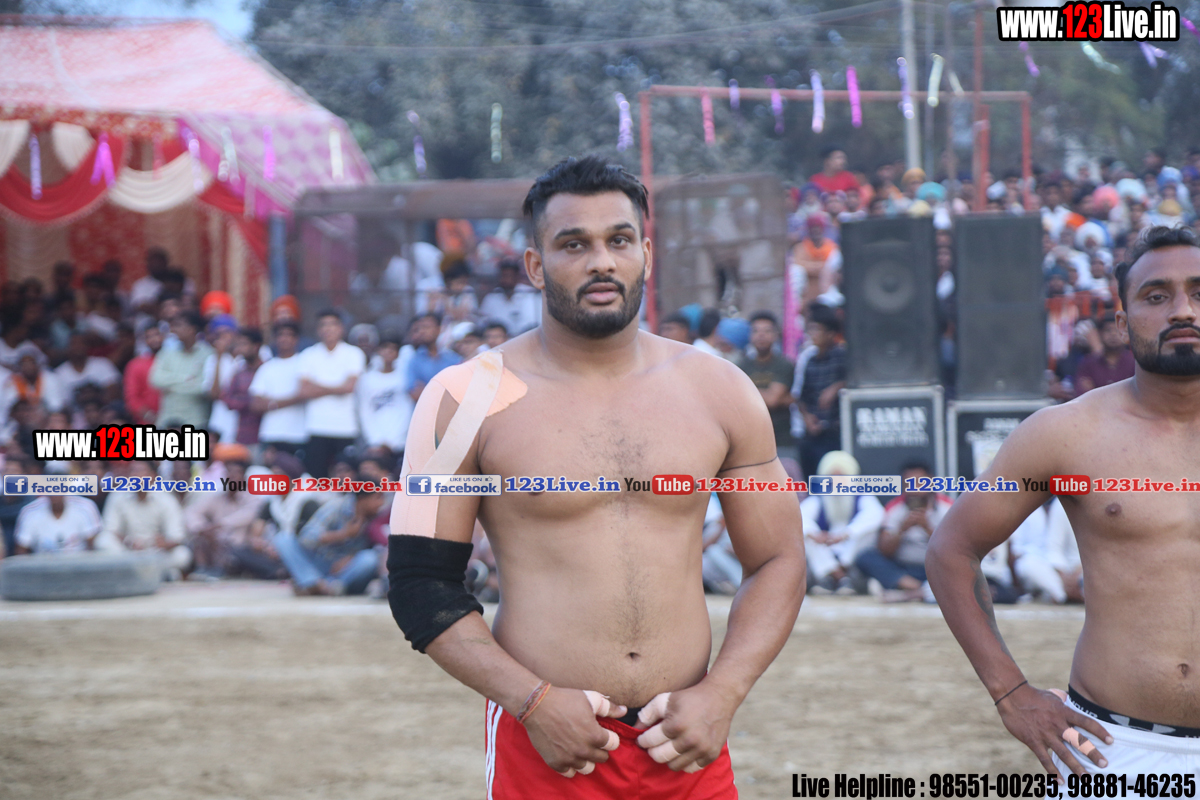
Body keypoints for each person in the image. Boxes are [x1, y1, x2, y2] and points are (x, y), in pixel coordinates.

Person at [387, 156, 805, 797]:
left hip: (685, 739)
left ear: (646, 254)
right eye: (574, 244)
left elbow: (778, 558)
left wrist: (723, 692)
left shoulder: (720, 389)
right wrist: (532, 701)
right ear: (535, 265)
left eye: (618, 240)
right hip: (549, 745)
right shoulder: (465, 397)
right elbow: (421, 584)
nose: (601, 262)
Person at [927, 225, 1200, 780]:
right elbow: (951, 549)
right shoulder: (1066, 433)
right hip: (1118, 747)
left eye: (1199, 292)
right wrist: (1011, 694)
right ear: (1122, 322)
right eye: (1156, 296)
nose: (1182, 310)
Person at [854, 461, 952, 603]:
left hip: (936, 569)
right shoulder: (895, 508)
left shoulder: (948, 507)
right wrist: (902, 530)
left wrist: (928, 528)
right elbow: (884, 550)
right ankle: (919, 589)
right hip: (904, 570)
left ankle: (909, 590)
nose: (915, 488)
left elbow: (954, 548)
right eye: (909, 483)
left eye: (920, 482)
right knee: (866, 557)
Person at [276, 484, 384, 596]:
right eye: (377, 498)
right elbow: (307, 538)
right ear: (362, 499)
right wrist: (343, 534)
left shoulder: (377, 517)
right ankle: (312, 583)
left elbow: (381, 550)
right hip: (320, 561)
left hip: (346, 571)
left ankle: (325, 587)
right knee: (283, 538)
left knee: (370, 559)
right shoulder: (336, 507)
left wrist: (351, 558)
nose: (381, 503)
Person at [799, 450, 883, 592]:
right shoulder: (819, 498)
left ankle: (835, 576)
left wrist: (846, 534)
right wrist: (815, 535)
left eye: (842, 476)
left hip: (850, 549)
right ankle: (838, 577)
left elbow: (876, 515)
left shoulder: (862, 496)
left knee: (865, 532)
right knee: (806, 535)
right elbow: (800, 517)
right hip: (826, 547)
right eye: (832, 476)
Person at [296, 311, 365, 478]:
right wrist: (337, 387)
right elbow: (304, 390)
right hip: (316, 427)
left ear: (341, 328)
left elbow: (349, 387)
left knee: (347, 481)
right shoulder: (308, 355)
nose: (328, 329)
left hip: (346, 428)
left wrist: (317, 386)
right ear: (317, 330)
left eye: (333, 324)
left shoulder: (354, 353)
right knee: (317, 479)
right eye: (323, 325)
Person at [101, 460, 191, 580]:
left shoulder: (167, 499)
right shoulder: (117, 496)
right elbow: (110, 529)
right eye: (132, 471)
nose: (135, 476)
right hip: (127, 551)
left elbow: (177, 536)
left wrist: (162, 543)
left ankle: (142, 572)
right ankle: (158, 572)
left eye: (140, 471)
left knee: (182, 555)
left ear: (153, 476)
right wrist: (128, 541)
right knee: (103, 541)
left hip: (156, 552)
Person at [796, 304, 846, 480]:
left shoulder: (844, 357)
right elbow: (801, 397)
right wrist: (807, 418)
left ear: (831, 334)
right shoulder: (809, 361)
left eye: (817, 330)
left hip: (838, 432)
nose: (812, 335)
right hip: (814, 431)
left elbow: (856, 383)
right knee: (811, 478)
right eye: (811, 330)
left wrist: (836, 387)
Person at [739, 312, 795, 465]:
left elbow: (772, 400)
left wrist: (746, 392)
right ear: (750, 336)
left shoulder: (784, 365)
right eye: (756, 331)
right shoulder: (741, 366)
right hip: (749, 441)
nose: (761, 335)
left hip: (781, 440)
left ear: (775, 335)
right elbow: (735, 400)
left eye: (767, 331)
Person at [249, 321, 309, 457]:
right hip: (271, 433)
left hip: (299, 435)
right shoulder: (267, 367)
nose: (284, 338)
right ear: (275, 339)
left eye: (289, 335)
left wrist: (271, 403)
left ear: (296, 339)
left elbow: (307, 393)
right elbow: (255, 405)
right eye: (281, 335)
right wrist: (295, 398)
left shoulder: (305, 363)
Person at [149, 310, 213, 429]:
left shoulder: (207, 354)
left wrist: (170, 385)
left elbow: (203, 388)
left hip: (195, 421)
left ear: (192, 329)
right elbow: (155, 380)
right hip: (167, 420)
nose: (174, 330)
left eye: (179, 326)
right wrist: (186, 379)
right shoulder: (167, 352)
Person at [356, 334, 413, 456]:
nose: (388, 352)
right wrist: (375, 439)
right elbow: (364, 411)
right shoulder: (367, 379)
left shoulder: (404, 377)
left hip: (399, 442)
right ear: (379, 351)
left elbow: (406, 410)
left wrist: (395, 440)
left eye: (393, 349)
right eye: (385, 348)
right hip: (374, 444)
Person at [13, 494, 104, 554]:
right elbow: (21, 552)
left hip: (78, 568)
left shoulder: (85, 507)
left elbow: (93, 548)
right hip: (42, 570)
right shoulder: (30, 512)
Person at [220, 328, 265, 449]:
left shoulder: (268, 369)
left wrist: (243, 400)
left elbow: (268, 402)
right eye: (239, 344)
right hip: (241, 436)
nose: (240, 349)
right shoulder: (239, 373)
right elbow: (227, 400)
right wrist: (252, 402)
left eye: (244, 344)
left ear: (256, 346)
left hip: (264, 436)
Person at [405, 313, 460, 403]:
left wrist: (427, 390)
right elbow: (415, 393)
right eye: (420, 328)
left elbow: (460, 389)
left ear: (438, 329)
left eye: (427, 327)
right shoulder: (414, 360)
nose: (422, 331)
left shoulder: (452, 358)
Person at [479, 257, 542, 335]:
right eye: (503, 276)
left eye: (510, 276)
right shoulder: (491, 298)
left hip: (528, 337)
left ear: (517, 276)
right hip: (500, 340)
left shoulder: (532, 295)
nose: (506, 280)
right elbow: (483, 324)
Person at [1074, 314, 1135, 394]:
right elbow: (1083, 392)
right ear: (1100, 334)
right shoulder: (1088, 363)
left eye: (1117, 330)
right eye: (1108, 330)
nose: (1113, 334)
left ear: (1125, 333)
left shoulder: (1134, 363)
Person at [55, 332, 121, 404]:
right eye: (74, 343)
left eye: (82, 343)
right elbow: (61, 402)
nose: (78, 346)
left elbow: (113, 390)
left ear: (88, 346)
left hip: (103, 408)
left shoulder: (102, 364)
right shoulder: (59, 373)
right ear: (67, 348)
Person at [123, 325, 163, 423]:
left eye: (157, 334)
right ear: (144, 341)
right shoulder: (135, 365)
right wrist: (149, 416)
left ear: (164, 336)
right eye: (149, 337)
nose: (154, 339)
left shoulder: (176, 360)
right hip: (148, 422)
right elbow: (131, 397)